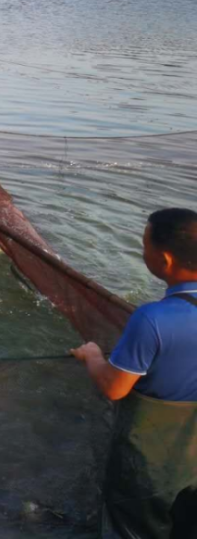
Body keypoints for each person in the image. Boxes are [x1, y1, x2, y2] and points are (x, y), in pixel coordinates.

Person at [72, 208, 197, 539]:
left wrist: (93, 355)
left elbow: (114, 388)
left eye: (144, 246)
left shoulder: (152, 319)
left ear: (166, 260)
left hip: (151, 465)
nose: (143, 253)